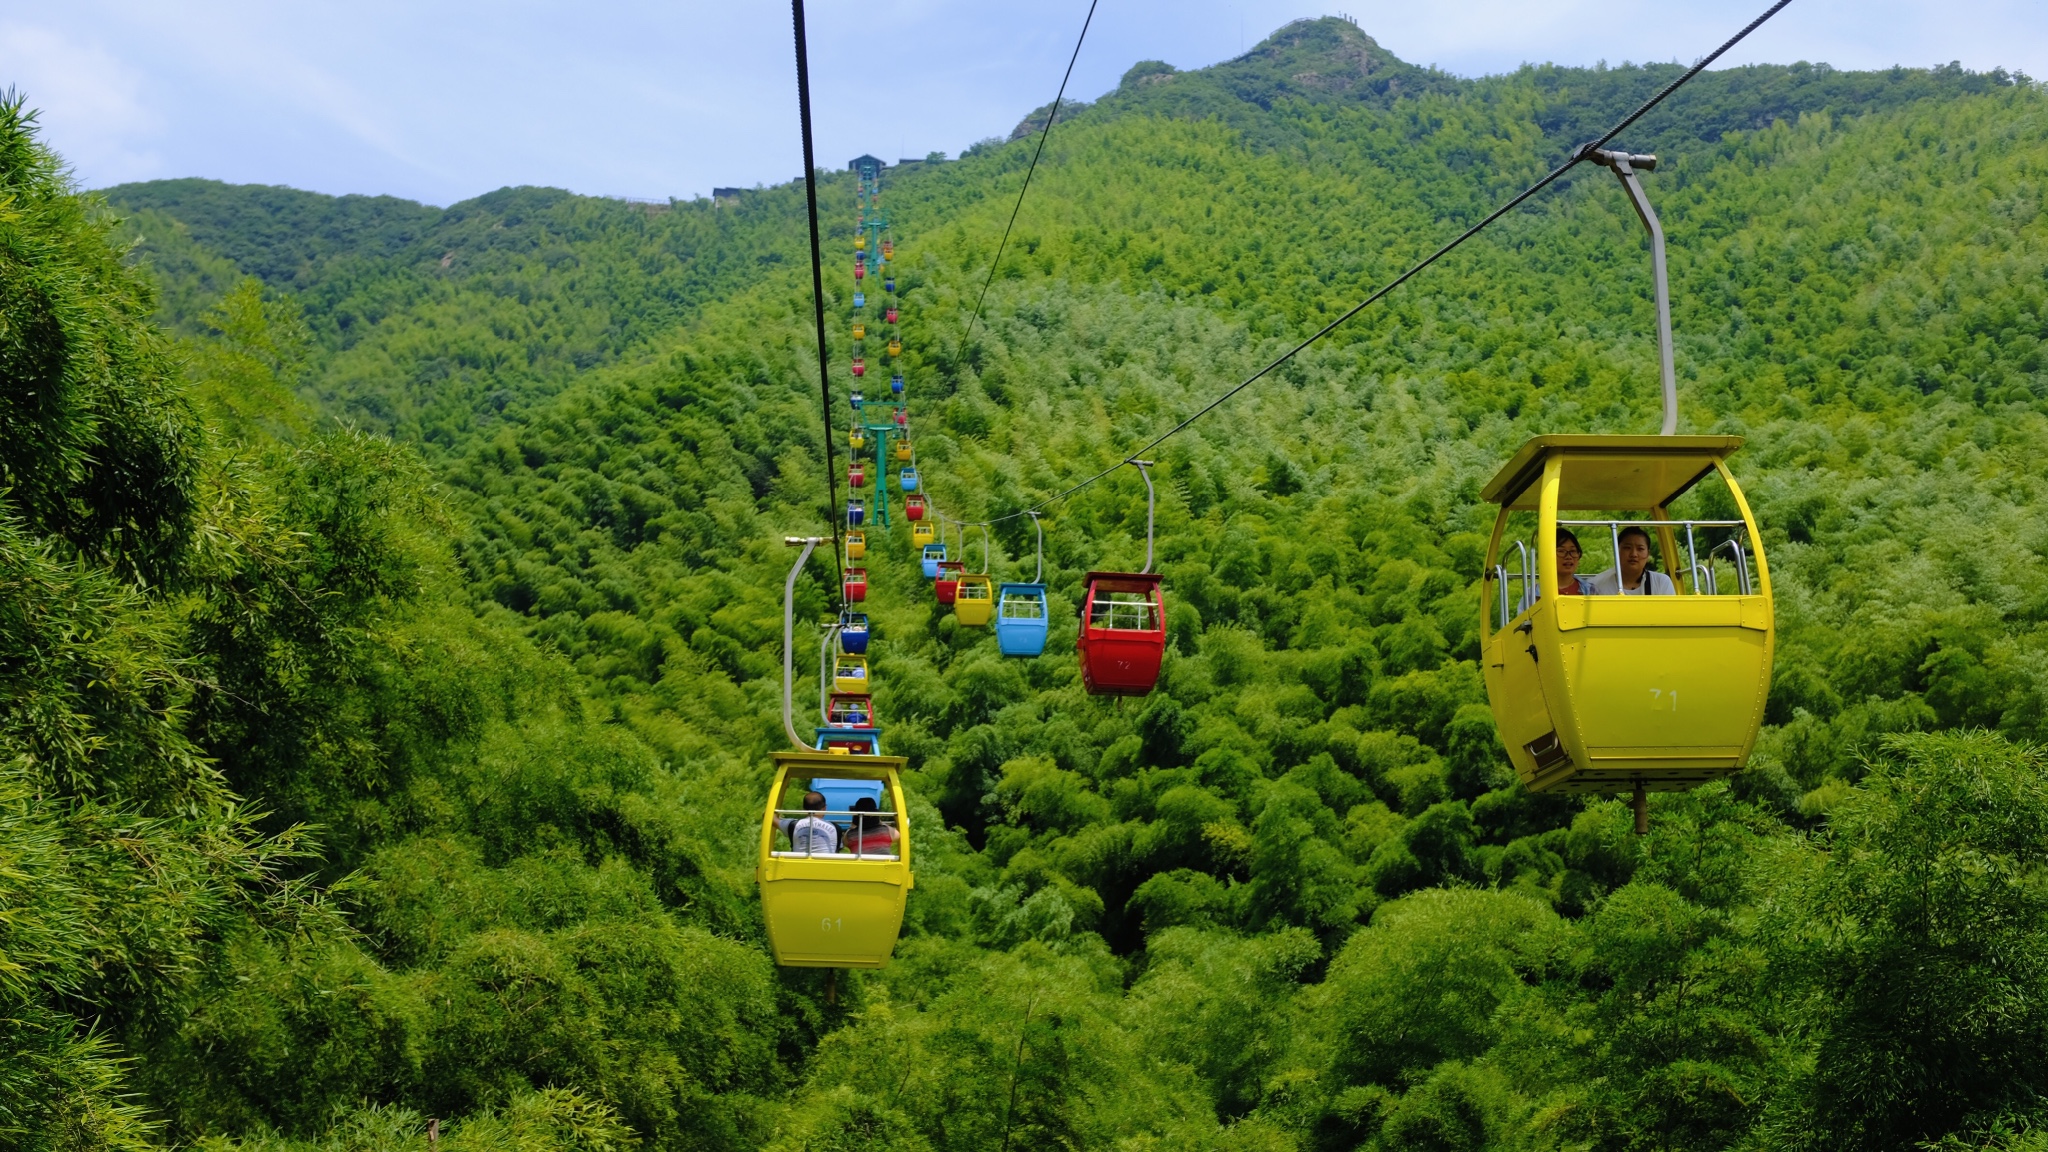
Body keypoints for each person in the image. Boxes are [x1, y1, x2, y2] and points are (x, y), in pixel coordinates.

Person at [1585, 525, 1677, 596]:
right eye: (1627, 548)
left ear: (1648, 554)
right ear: (1617, 551)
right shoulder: (1596, 585)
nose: (1633, 554)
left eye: (1640, 549)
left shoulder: (1661, 582)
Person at [779, 790, 839, 855]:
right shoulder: (835, 828)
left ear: (803, 809)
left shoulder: (793, 825)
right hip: (825, 865)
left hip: (798, 864)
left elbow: (773, 819)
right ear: (824, 808)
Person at [1554, 528, 1593, 596]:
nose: (1568, 557)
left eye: (1573, 551)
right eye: (1561, 551)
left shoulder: (1591, 591)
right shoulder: (1532, 594)